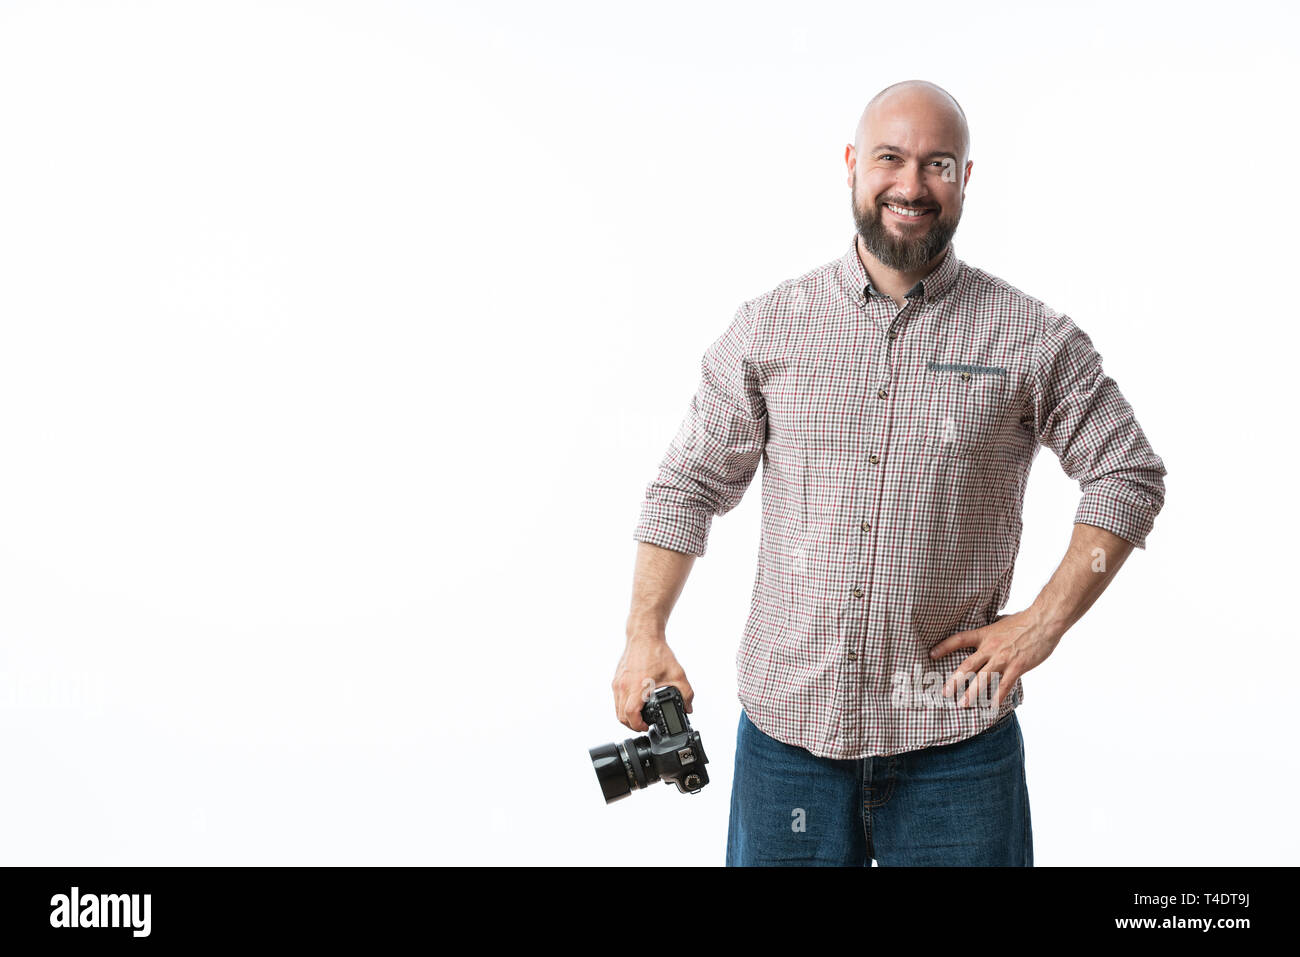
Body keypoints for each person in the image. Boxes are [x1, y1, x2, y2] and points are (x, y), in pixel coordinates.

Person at [612, 79, 1167, 866]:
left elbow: (1127, 473)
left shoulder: (1031, 338)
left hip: (955, 746)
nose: (911, 185)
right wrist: (646, 634)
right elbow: (687, 484)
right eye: (890, 158)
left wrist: (1043, 622)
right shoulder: (772, 326)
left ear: (966, 178)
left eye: (938, 163)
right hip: (787, 743)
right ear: (851, 166)